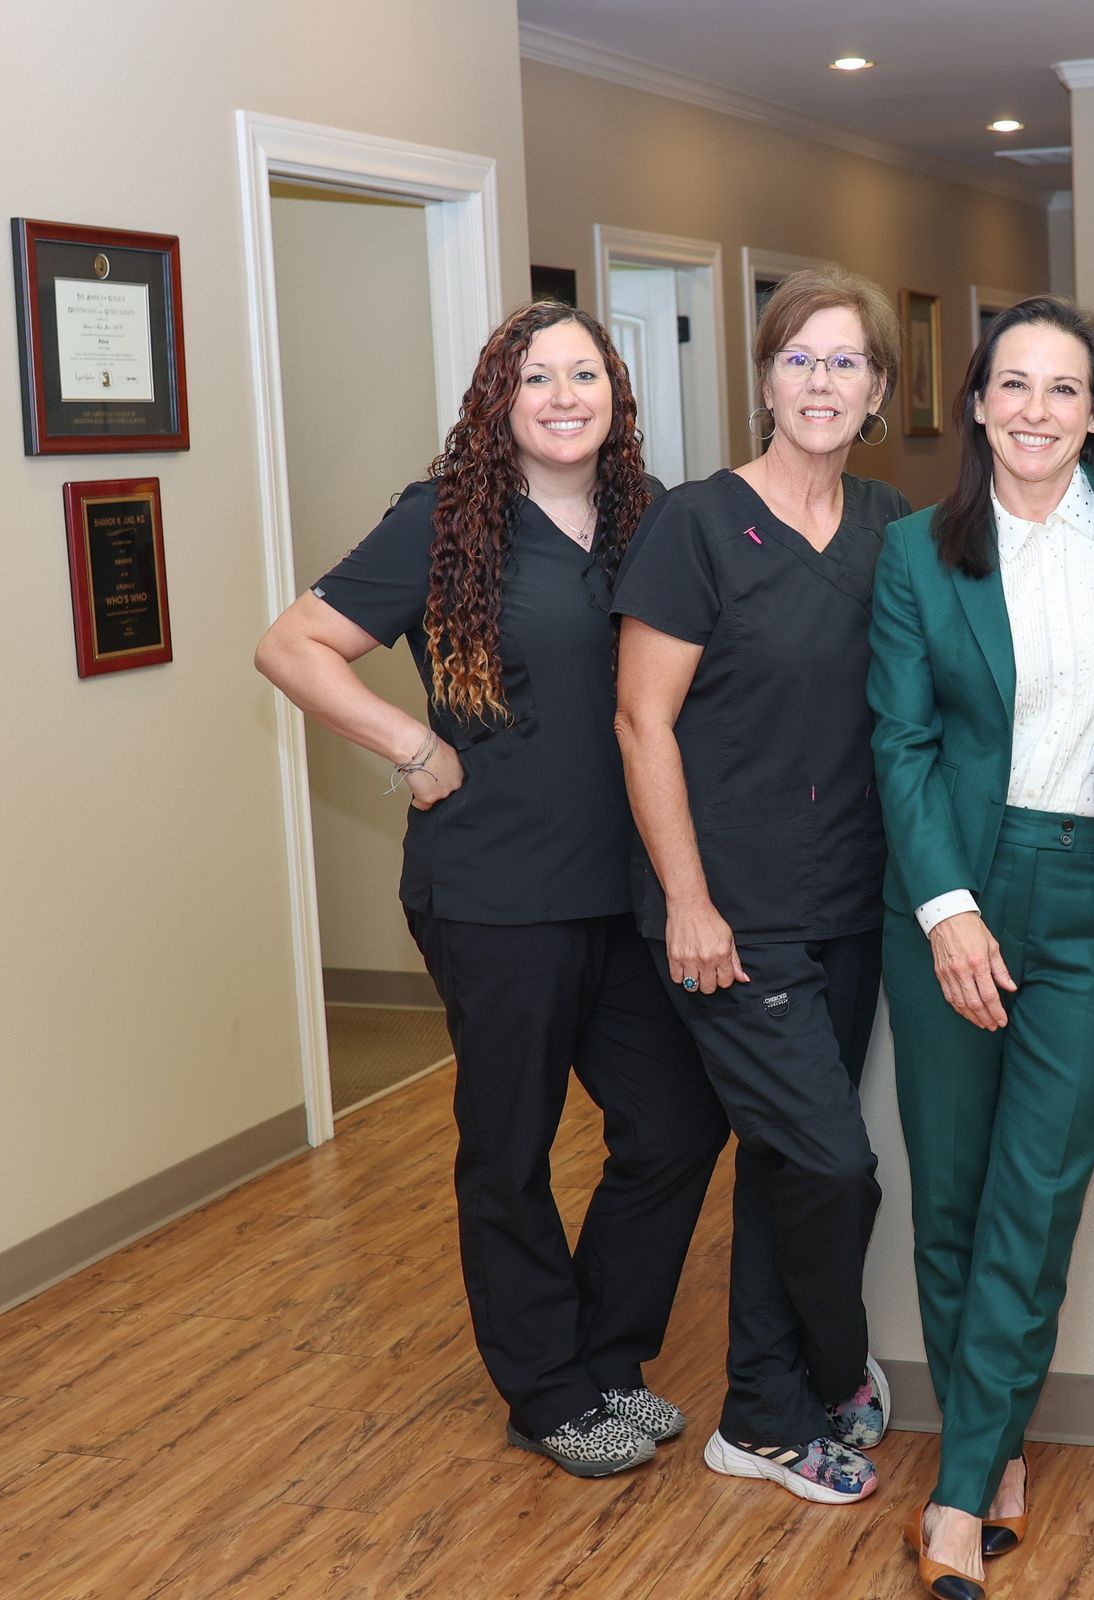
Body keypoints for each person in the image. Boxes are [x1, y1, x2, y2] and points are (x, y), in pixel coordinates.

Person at [254, 300, 730, 1478]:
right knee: (508, 1149)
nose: (565, 395)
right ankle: (547, 1391)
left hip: (628, 888)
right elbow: (291, 645)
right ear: (498, 401)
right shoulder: (446, 519)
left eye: (585, 373)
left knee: (675, 1123)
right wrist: (411, 749)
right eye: (537, 378)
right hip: (496, 890)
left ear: (617, 391)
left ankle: (605, 1357)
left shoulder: (649, 517)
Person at [869, 296, 1094, 1599]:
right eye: (1014, 385)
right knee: (951, 1194)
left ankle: (957, 1498)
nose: (1036, 412)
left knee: (1038, 1195)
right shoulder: (915, 554)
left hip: (1091, 891)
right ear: (977, 403)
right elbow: (896, 745)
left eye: (1064, 390)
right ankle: (991, 1453)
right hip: (956, 890)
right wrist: (948, 912)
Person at [611, 268, 909, 1506]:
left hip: (853, 903)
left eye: (846, 362)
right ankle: (822, 1373)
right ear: (763, 379)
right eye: (801, 359)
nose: (822, 382)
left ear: (881, 390)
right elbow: (641, 720)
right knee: (837, 1166)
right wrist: (687, 898)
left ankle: (763, 1407)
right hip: (731, 915)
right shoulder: (694, 524)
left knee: (792, 1161)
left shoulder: (894, 525)